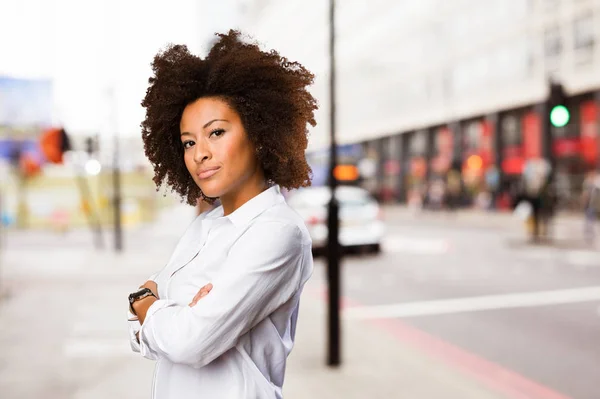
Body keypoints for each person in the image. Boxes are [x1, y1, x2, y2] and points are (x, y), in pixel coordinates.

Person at [126, 30, 317, 399]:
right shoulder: (205, 226)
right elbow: (140, 330)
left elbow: (190, 343)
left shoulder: (279, 233)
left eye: (216, 133)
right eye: (189, 142)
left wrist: (152, 304)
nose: (200, 153)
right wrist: (158, 310)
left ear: (259, 133)